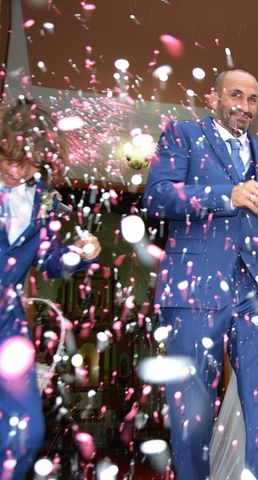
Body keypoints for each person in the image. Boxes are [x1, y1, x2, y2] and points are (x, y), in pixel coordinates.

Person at [143, 68, 258, 480]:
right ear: (214, 98)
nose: (245, 107)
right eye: (236, 95)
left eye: (252, 99)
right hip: (193, 290)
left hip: (255, 294)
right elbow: (157, 196)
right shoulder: (183, 135)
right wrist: (225, 196)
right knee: (192, 415)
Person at [0, 97, 101, 480]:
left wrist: (80, 253)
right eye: (8, 156)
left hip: (8, 325)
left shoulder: (44, 201)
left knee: (26, 430)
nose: (14, 168)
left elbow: (49, 261)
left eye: (25, 161)